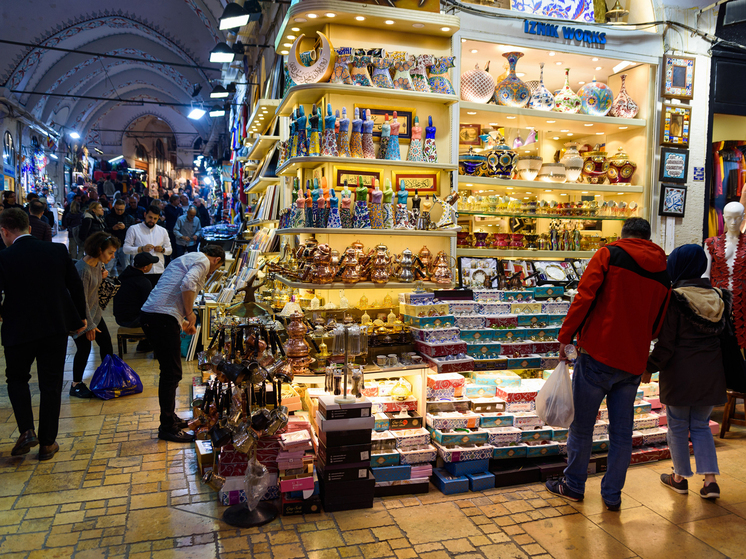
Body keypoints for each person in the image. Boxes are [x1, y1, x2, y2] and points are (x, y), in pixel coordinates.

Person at [546, 218, 671, 511]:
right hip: (632, 362)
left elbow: (583, 298)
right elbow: (659, 322)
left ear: (623, 235)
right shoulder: (664, 269)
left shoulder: (609, 254)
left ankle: (574, 485)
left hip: (598, 354)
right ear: (648, 238)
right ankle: (612, 495)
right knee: (621, 432)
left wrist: (566, 338)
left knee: (581, 427)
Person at [0, 209, 87, 460]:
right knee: (51, 384)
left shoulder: (4, 257)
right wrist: (80, 317)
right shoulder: (56, 251)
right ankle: (48, 442)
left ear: (5, 231)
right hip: (54, 327)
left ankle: (27, 431)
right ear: (29, 227)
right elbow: (75, 285)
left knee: (17, 379)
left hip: (19, 330)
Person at [647, 244, 727, 500]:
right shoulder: (719, 297)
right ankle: (710, 482)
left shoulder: (674, 298)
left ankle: (679, 477)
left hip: (680, 374)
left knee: (679, 426)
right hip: (711, 374)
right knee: (701, 426)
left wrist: (649, 366)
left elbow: (667, 344)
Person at [141, 244, 225, 442]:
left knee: (171, 372)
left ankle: (170, 419)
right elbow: (188, 285)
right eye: (217, 268)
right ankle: (167, 427)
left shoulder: (189, 258)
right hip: (160, 318)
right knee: (171, 373)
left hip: (156, 316)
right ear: (217, 260)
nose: (213, 272)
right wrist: (189, 314)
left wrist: (181, 322)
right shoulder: (203, 261)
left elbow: (173, 291)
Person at [70, 232, 119, 398]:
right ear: (99, 250)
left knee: (106, 345)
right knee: (84, 349)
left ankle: (107, 378)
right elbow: (80, 300)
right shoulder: (82, 271)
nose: (112, 257)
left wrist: (103, 277)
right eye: (110, 252)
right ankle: (75, 384)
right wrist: (88, 325)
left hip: (94, 313)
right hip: (81, 316)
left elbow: (93, 291)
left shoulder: (97, 264)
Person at [123, 205, 172, 285]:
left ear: (158, 218)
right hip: (140, 271)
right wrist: (141, 249)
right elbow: (125, 249)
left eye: (155, 218)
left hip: (158, 270)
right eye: (150, 217)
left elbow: (169, 250)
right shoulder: (133, 229)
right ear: (145, 214)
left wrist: (163, 250)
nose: (152, 220)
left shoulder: (163, 231)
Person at [113, 252, 158, 329]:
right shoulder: (143, 282)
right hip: (132, 320)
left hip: (119, 318)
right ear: (145, 267)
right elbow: (148, 305)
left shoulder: (123, 275)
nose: (152, 266)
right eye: (151, 264)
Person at [104, 200, 135, 277]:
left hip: (124, 245)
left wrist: (125, 228)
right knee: (108, 266)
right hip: (111, 245)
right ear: (114, 207)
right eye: (117, 209)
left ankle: (127, 283)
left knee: (126, 267)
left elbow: (133, 232)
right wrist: (112, 229)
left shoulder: (129, 217)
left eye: (122, 209)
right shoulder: (108, 217)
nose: (119, 211)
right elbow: (104, 231)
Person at [163, 195, 183, 262]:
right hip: (171, 229)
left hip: (178, 228)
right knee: (171, 245)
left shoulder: (178, 208)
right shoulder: (168, 208)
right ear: (173, 200)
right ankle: (168, 261)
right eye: (178, 200)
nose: (179, 202)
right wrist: (179, 209)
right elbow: (174, 215)